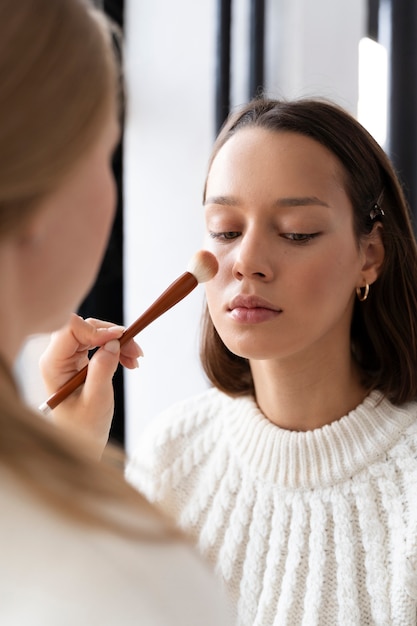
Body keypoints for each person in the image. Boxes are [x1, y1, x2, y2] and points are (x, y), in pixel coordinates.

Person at [43, 96, 417, 624]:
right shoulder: (171, 456)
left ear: (370, 257)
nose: (246, 262)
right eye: (225, 230)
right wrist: (68, 461)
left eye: (296, 232)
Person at [0, 1, 232, 624]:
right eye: (106, 156)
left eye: (296, 231)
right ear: (45, 198)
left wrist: (65, 456)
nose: (248, 262)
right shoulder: (132, 573)